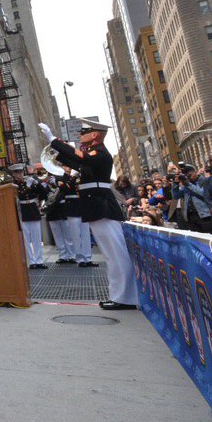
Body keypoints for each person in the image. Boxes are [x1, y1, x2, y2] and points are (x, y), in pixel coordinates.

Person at [39, 120, 136, 309]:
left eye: (84, 131)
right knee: (111, 255)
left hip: (101, 205)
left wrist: (54, 140)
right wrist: (57, 153)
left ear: (95, 134)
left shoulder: (99, 153)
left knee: (116, 254)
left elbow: (83, 159)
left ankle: (127, 297)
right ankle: (120, 296)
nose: (80, 134)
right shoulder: (93, 154)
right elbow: (78, 163)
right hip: (96, 205)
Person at [11, 164, 49, 269]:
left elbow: (44, 193)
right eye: (17, 172)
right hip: (22, 211)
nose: (20, 174)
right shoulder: (13, 185)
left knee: (37, 238)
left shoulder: (31, 182)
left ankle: (39, 261)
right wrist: (28, 185)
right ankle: (31, 262)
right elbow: (20, 194)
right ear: (14, 174)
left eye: (21, 172)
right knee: (26, 240)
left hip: (33, 210)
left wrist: (37, 183)